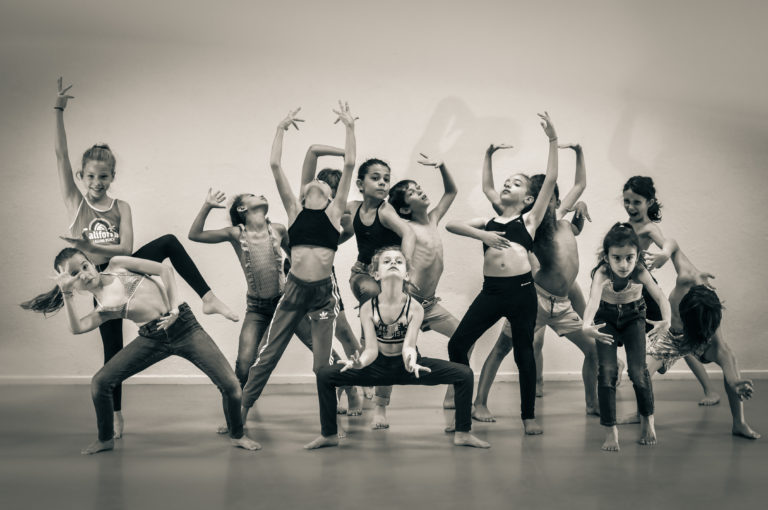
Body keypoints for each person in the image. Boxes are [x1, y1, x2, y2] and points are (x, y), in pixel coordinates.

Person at [52, 77, 236, 438]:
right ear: (81, 176)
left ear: (112, 177)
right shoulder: (76, 203)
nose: (97, 182)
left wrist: (88, 245)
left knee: (168, 242)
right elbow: (60, 155)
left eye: (104, 176)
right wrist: (58, 110)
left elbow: (125, 249)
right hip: (98, 282)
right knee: (113, 348)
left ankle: (208, 297)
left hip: (120, 268)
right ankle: (116, 414)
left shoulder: (121, 206)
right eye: (91, 176)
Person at [21, 250, 260, 454]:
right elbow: (77, 328)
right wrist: (66, 294)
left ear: (91, 263)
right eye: (75, 275)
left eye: (84, 266)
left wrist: (174, 309)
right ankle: (105, 439)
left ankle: (237, 434)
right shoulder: (103, 308)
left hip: (184, 326)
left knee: (231, 385)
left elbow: (165, 270)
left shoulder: (118, 265)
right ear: (72, 282)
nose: (84, 274)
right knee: (100, 382)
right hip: (152, 338)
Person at [188, 189, 358, 425]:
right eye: (252, 195)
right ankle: (236, 416)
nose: (260, 194)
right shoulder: (236, 233)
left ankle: (350, 388)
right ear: (242, 209)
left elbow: (298, 255)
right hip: (257, 309)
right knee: (245, 362)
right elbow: (195, 235)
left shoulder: (278, 229)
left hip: (286, 304)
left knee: (323, 350)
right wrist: (207, 205)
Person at [304, 247, 490, 449]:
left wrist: (411, 361)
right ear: (376, 274)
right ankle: (329, 435)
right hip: (376, 367)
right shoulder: (368, 307)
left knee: (464, 374)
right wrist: (360, 363)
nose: (393, 263)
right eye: (387, 261)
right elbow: (371, 350)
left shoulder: (415, 307)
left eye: (398, 261)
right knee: (325, 375)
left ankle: (463, 433)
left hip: (408, 367)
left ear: (407, 274)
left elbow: (409, 345)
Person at [239, 103, 357, 422]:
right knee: (268, 354)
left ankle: (329, 426)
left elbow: (349, 164)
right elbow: (275, 165)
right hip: (293, 292)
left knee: (322, 365)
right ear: (303, 194)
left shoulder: (335, 213)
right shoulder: (294, 211)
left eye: (323, 185)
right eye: (311, 183)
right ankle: (241, 412)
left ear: (331, 196)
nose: (316, 183)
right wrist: (280, 129)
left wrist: (350, 127)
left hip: (323, 294)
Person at [446, 112, 560, 435]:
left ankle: (528, 417)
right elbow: (452, 224)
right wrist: (482, 234)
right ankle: (463, 410)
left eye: (517, 183)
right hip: (492, 292)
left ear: (528, 199)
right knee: (457, 345)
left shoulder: (529, 221)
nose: (508, 184)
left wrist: (552, 139)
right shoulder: (489, 222)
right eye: (506, 182)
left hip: (522, 293)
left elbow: (550, 180)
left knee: (524, 354)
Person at [472, 143, 598, 421]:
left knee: (593, 350)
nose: (548, 204)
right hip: (536, 300)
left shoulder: (563, 222)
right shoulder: (533, 225)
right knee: (502, 348)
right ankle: (479, 403)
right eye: (542, 200)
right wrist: (488, 155)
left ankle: (592, 403)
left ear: (557, 201)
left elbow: (580, 185)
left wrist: (579, 152)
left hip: (562, 305)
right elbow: (489, 190)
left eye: (552, 199)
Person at [631, 247, 759, 439]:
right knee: (642, 374)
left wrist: (734, 383)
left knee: (730, 358)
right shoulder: (686, 278)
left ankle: (739, 424)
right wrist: (664, 253)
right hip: (673, 338)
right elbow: (674, 245)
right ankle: (642, 415)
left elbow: (725, 356)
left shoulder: (710, 321)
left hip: (702, 343)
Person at [623, 176, 719, 405]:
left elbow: (672, 247)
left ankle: (710, 390)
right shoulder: (628, 224)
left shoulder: (649, 228)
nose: (630, 206)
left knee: (678, 341)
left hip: (646, 293)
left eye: (636, 202)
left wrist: (670, 259)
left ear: (649, 202)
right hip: (628, 291)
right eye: (627, 201)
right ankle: (622, 370)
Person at [581, 223, 670, 451]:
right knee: (607, 371)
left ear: (637, 255)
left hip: (634, 318)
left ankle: (647, 420)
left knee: (638, 372)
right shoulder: (602, 272)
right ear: (607, 257)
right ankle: (610, 430)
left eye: (629, 258)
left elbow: (661, 297)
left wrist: (667, 320)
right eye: (617, 258)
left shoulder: (639, 270)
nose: (623, 265)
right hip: (606, 319)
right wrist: (587, 325)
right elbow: (593, 301)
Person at [346, 157, 416, 428]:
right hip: (362, 275)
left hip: (386, 281)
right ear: (360, 184)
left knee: (384, 340)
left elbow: (408, 233)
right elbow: (341, 228)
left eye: (386, 178)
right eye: (375, 178)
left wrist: (404, 268)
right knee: (377, 321)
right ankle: (367, 357)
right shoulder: (353, 208)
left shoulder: (385, 211)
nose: (383, 183)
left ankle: (377, 400)